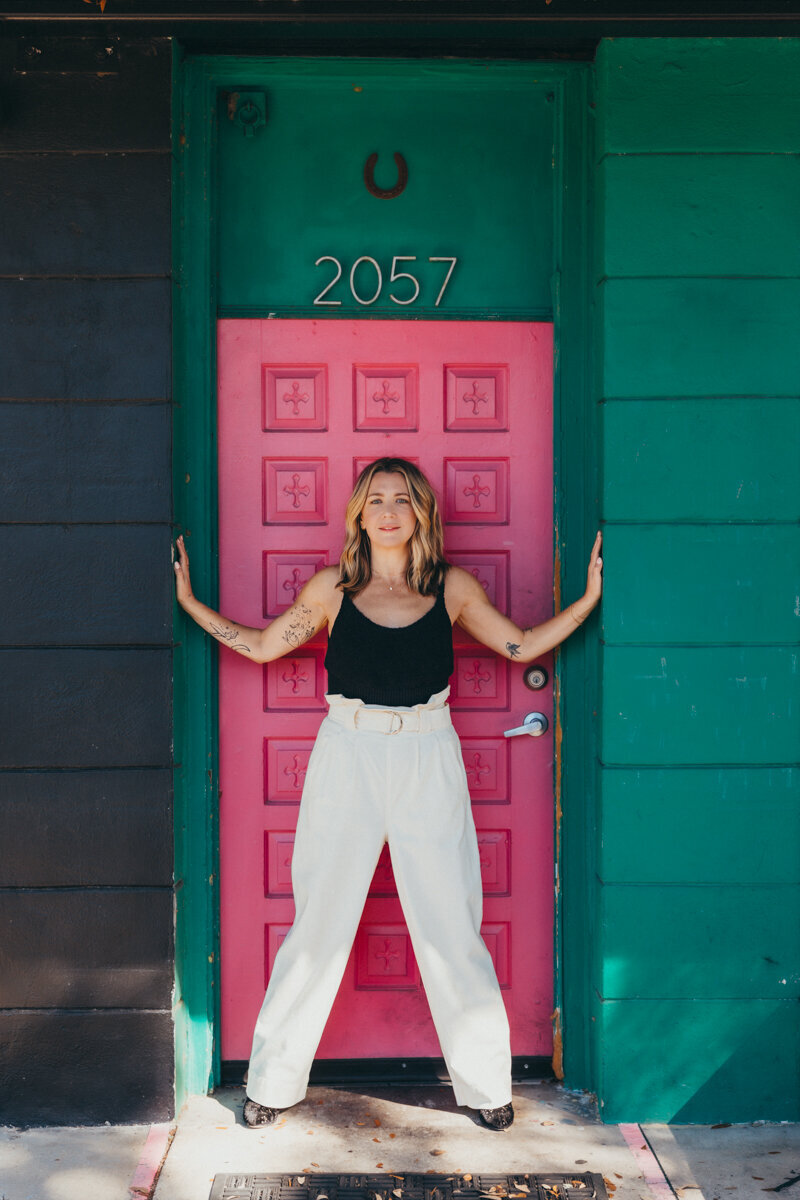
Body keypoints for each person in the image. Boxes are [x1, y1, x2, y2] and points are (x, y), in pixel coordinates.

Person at [174, 456, 603, 1132]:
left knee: (450, 919)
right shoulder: (330, 591)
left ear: (421, 514)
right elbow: (259, 647)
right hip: (347, 752)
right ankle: (272, 1083)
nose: (388, 511)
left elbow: (519, 647)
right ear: (359, 514)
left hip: (428, 751)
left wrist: (583, 603)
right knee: (319, 920)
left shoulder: (451, 589)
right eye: (376, 499)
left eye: (402, 499)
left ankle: (488, 1086)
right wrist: (192, 605)